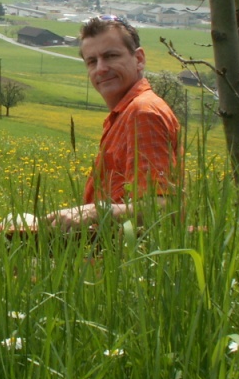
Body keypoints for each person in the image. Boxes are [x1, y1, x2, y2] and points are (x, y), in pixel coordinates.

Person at [44, 15, 181, 232]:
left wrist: (92, 212)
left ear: (139, 59)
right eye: (92, 61)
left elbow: (164, 207)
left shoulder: (143, 113)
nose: (101, 69)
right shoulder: (124, 114)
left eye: (111, 56)